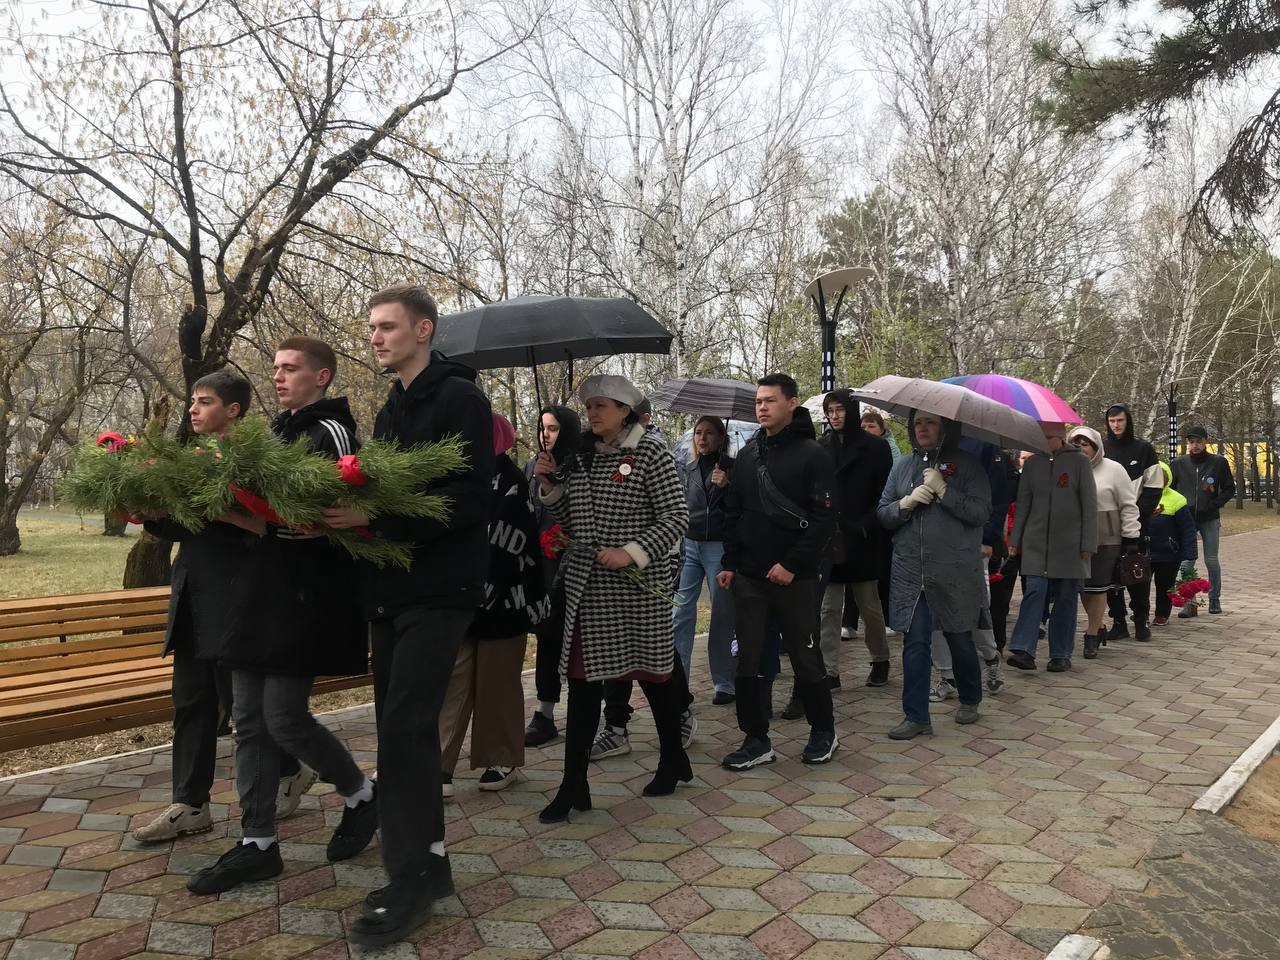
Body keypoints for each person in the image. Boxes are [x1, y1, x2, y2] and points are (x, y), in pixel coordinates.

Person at [322, 283, 495, 947]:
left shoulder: (460, 399)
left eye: (387, 326)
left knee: (403, 730)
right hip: (392, 589)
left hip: (441, 589)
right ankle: (433, 862)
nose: (375, 338)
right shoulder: (393, 405)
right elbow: (385, 491)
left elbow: (471, 499)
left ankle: (409, 879)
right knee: (402, 730)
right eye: (372, 327)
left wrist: (375, 518)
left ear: (423, 330)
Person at [187, 338, 376, 895]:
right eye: (275, 368)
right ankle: (257, 843)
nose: (278, 376)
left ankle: (361, 794)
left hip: (304, 594)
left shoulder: (332, 431)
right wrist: (217, 505)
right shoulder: (274, 432)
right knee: (248, 719)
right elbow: (266, 521)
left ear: (322, 376)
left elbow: (322, 518)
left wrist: (266, 511)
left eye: (290, 368)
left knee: (284, 719)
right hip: (262, 588)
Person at [134, 371, 304, 844]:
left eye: (205, 401)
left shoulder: (255, 461)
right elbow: (187, 529)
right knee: (190, 701)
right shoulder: (189, 458)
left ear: (233, 410)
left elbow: (268, 527)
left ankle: (289, 770)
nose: (193, 408)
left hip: (235, 599)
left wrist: (225, 511)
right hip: (192, 594)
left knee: (243, 708)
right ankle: (190, 804)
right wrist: (152, 516)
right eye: (192, 400)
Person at [532, 374, 692, 822]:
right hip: (590, 589)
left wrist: (631, 552)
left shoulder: (651, 452)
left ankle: (673, 757)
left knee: (653, 677)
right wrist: (550, 486)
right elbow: (571, 520)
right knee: (583, 684)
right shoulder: (583, 456)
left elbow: (676, 516)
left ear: (625, 411)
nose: (592, 414)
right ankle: (573, 783)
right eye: (588, 407)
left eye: (601, 405)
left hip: (638, 588)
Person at [716, 373, 839, 769]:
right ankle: (756, 739)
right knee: (748, 660)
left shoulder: (814, 454)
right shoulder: (749, 454)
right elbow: (734, 512)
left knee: (805, 656)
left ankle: (823, 732)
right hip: (749, 577)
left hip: (796, 578)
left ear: (792, 403)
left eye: (770, 400)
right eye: (758, 401)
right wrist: (730, 563)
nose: (762, 407)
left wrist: (791, 564)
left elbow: (823, 520)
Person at [440, 413, 547, 797]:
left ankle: (501, 757)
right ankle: (438, 764)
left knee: (497, 684)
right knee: (453, 684)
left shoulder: (512, 482)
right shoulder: (454, 477)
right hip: (461, 598)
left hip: (505, 601)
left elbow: (518, 546)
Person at [877, 411, 990, 740]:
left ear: (945, 427)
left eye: (930, 422)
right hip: (911, 569)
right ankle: (916, 716)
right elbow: (883, 512)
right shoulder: (903, 466)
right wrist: (906, 503)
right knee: (915, 642)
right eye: (917, 423)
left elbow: (981, 512)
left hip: (954, 568)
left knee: (959, 637)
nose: (922, 428)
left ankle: (970, 697)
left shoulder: (968, 465)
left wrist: (945, 491)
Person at [1004, 424, 1097, 672]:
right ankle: (1024, 649)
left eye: (1046, 437)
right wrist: (1015, 539)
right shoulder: (1033, 464)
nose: (1041, 442)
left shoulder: (1079, 462)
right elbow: (1023, 503)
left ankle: (1061, 654)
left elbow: (1089, 505)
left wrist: (1088, 543)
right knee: (1034, 593)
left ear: (1060, 437)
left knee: (1066, 598)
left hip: (1070, 544)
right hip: (1035, 543)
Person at [816, 389, 892, 689]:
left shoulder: (875, 447)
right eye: (830, 410)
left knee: (869, 605)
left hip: (863, 535)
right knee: (829, 608)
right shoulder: (821, 447)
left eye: (840, 410)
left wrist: (865, 524)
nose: (834, 416)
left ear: (852, 410)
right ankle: (829, 670)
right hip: (831, 537)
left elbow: (885, 492)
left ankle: (880, 659)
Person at [524, 405, 582, 747]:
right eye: (542, 428)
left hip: (575, 566)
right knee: (547, 638)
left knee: (578, 644)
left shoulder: (581, 466)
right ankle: (544, 714)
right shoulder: (532, 466)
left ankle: (606, 716)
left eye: (554, 428)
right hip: (542, 567)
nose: (546, 435)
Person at [671, 416, 737, 704]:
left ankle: (725, 682)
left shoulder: (732, 468)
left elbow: (743, 506)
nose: (702, 438)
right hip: (691, 544)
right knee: (680, 613)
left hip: (719, 547)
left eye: (709, 433)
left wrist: (727, 486)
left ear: (721, 437)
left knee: (722, 615)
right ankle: (677, 684)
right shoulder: (688, 469)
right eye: (698, 433)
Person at [1068, 426, 1141, 658]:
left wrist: (1131, 535)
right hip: (1075, 536)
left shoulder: (1114, 469)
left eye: (1085, 444)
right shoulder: (1067, 468)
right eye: (1075, 444)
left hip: (1106, 536)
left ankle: (1091, 635)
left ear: (1096, 447)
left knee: (1098, 586)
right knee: (1083, 585)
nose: (1081, 448)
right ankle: (1098, 625)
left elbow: (1128, 504)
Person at [1102, 404, 1162, 641]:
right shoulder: (1102, 449)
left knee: (1137, 573)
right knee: (1110, 575)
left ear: (1128, 421)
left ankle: (1141, 620)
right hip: (1106, 524)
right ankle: (1118, 621)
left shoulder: (1144, 449)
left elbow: (1154, 487)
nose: (1116, 425)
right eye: (1112, 421)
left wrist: (1136, 514)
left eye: (1120, 420)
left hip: (1137, 525)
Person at [1171, 426, 1234, 615]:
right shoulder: (1179, 463)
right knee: (1186, 563)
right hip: (1187, 520)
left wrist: (1214, 504)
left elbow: (1229, 489)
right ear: (1187, 443)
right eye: (1192, 442)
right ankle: (1190, 603)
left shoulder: (1218, 463)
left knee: (1211, 560)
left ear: (1206, 441)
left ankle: (1214, 599)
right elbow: (1170, 489)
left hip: (1210, 518)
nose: (1195, 445)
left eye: (1199, 441)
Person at [1150, 461, 1198, 626]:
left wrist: (1190, 552)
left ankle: (1162, 614)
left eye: (1161, 476)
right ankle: (1140, 613)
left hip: (1169, 553)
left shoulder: (1178, 500)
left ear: (1168, 477)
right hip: (1144, 551)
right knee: (1139, 586)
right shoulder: (1139, 496)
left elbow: (1187, 529)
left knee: (1165, 585)